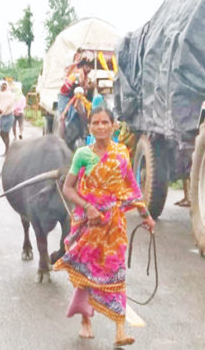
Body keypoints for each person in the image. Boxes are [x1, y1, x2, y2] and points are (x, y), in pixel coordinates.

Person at [53, 106, 155, 347]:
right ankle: (86, 320)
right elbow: (68, 188)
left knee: (116, 271)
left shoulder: (121, 154)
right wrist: (87, 206)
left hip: (114, 225)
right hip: (89, 224)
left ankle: (120, 330)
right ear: (89, 127)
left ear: (113, 125)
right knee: (87, 274)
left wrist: (145, 216)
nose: (100, 127)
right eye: (95, 123)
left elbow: (131, 189)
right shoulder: (82, 155)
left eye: (105, 122)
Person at [0, 82, 16, 155]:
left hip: (9, 116)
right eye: (2, 85)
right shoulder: (0, 94)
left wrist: (2, 109)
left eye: (4, 85)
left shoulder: (9, 94)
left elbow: (8, 103)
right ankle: (8, 148)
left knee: (6, 133)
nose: (3, 87)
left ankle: (7, 150)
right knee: (1, 133)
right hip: (3, 116)